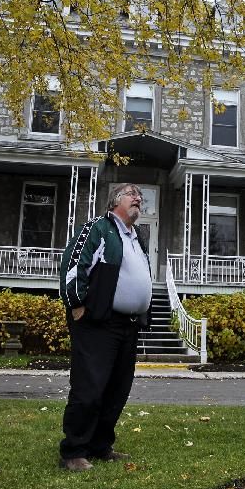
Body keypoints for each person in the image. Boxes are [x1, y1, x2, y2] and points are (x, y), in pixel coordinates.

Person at [58, 182, 152, 472]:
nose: (138, 199)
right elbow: (74, 265)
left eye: (140, 196)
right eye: (132, 194)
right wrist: (76, 304)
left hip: (128, 324)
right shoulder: (98, 228)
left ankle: (100, 445)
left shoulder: (137, 237)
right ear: (115, 201)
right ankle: (74, 451)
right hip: (98, 322)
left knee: (117, 389)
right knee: (90, 387)